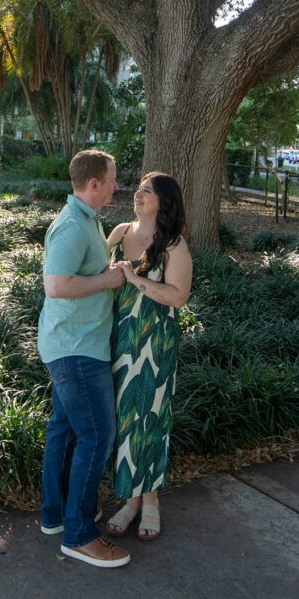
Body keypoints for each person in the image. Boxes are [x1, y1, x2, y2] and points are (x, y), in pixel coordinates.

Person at [38, 150, 131, 569]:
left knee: (65, 430)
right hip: (76, 350)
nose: (117, 186)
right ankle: (78, 535)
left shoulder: (88, 219)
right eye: (112, 180)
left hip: (75, 343)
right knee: (97, 436)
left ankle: (57, 516)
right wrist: (108, 279)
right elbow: (56, 286)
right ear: (94, 184)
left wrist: (112, 269)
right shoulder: (73, 225)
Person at [105, 172, 193, 542]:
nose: (137, 195)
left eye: (147, 191)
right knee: (122, 418)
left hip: (153, 345)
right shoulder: (120, 232)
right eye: (138, 189)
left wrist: (135, 278)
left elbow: (177, 297)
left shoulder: (174, 245)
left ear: (163, 202)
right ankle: (130, 499)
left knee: (149, 418)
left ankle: (149, 500)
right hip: (112, 339)